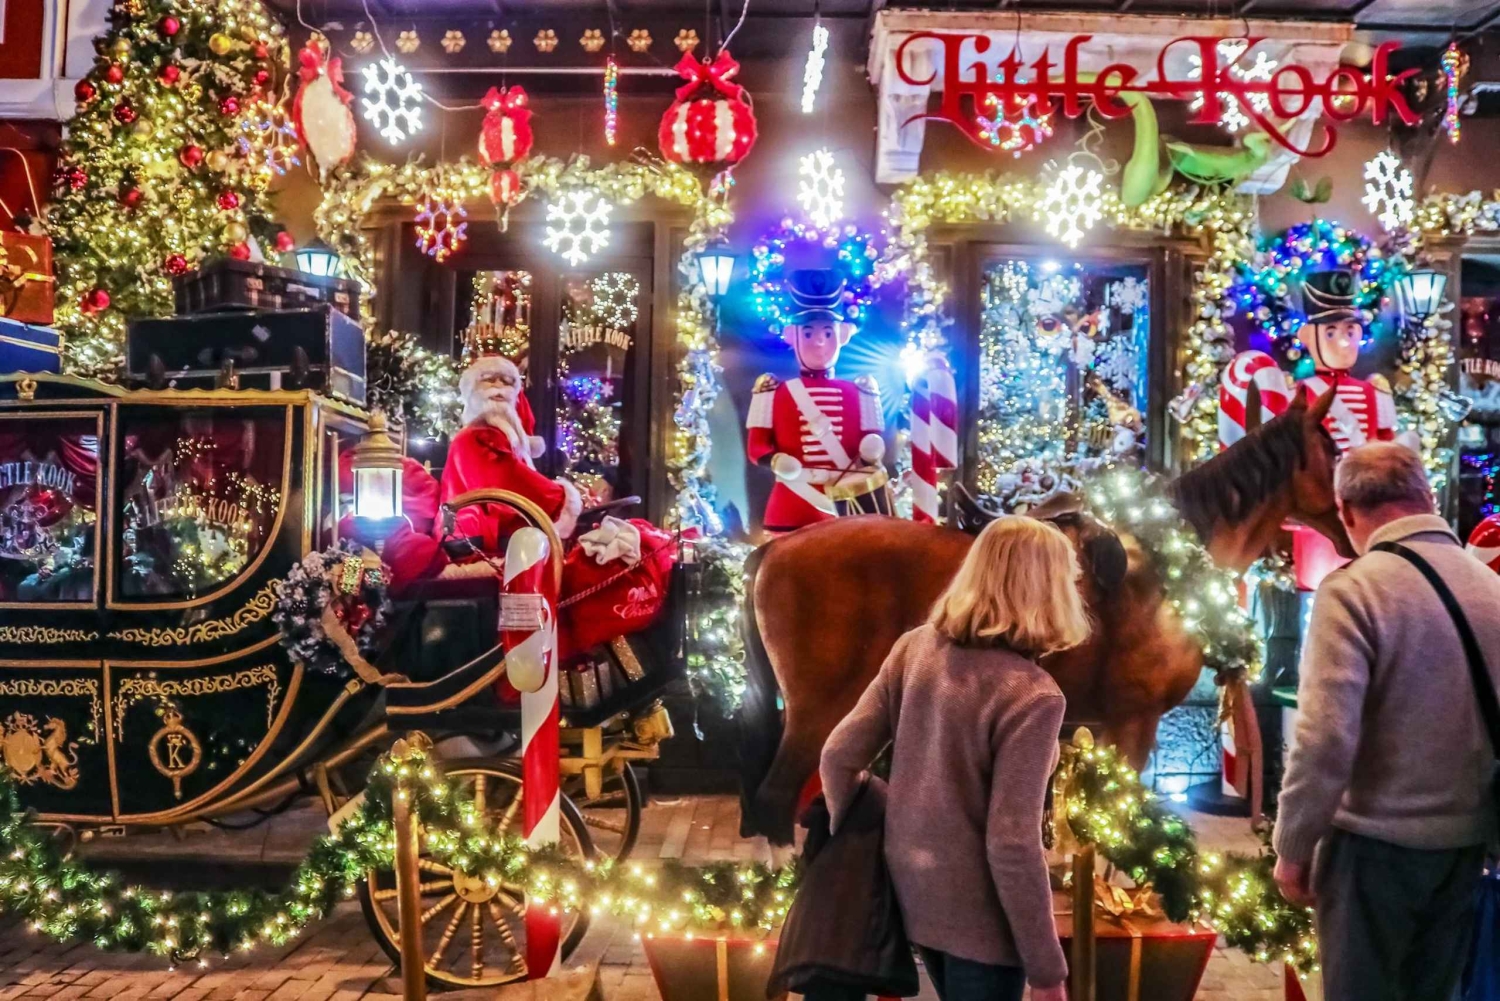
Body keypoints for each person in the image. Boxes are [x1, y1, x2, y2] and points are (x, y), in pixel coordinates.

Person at [819, 516, 1086, 1001]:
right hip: (984, 925)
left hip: (913, 896)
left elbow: (838, 756)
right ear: (1047, 589)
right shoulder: (1032, 695)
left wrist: (871, 820)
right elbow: (1011, 842)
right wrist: (1047, 971)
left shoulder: (915, 649)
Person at [1274, 441, 1500, 1001]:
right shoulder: (1492, 590)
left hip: (1373, 848)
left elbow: (1325, 739)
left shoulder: (1355, 591)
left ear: (1347, 512)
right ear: (1426, 496)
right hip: (1465, 845)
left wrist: (1294, 845)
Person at [439, 350, 581, 553]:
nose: (499, 387)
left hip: (492, 530)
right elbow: (509, 479)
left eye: (506, 382)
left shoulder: (501, 436)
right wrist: (561, 498)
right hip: (475, 534)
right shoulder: (478, 437)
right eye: (489, 380)